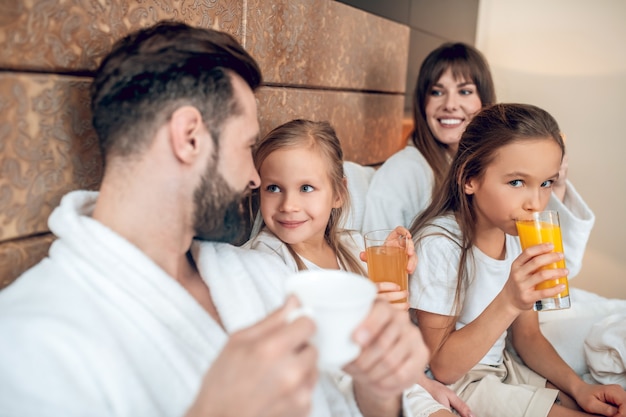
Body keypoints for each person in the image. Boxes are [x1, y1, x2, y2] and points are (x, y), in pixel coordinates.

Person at [0, 21, 431, 417]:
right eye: (246, 147)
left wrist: (377, 390)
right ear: (189, 137)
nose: (254, 177)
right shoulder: (29, 339)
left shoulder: (259, 277)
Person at [244, 118, 473, 417]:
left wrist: (423, 384)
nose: (289, 204)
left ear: (338, 193)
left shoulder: (355, 248)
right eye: (274, 188)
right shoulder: (268, 260)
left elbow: (388, 337)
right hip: (339, 393)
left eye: (306, 188)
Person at [409, 103, 626, 417]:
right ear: (469, 178)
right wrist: (510, 300)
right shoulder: (440, 244)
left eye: (546, 183)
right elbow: (442, 368)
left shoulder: (515, 237)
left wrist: (579, 388)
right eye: (516, 183)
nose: (535, 203)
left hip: (503, 367)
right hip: (462, 384)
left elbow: (527, 336)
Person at [361, 42, 497, 233]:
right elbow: (378, 251)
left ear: (485, 102)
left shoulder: (495, 166)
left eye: (464, 91)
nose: (450, 104)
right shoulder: (401, 172)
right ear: (423, 103)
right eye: (437, 92)